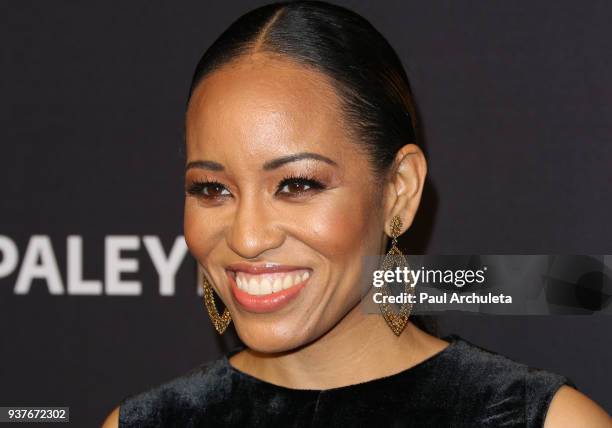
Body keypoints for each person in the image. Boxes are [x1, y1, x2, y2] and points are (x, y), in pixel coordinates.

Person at [103, 1, 610, 426]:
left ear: (399, 190)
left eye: (297, 184)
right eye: (213, 188)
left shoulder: (537, 420)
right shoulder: (143, 422)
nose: (248, 237)